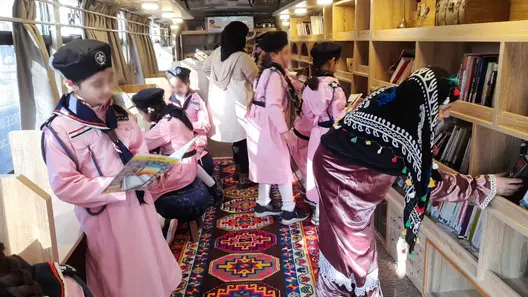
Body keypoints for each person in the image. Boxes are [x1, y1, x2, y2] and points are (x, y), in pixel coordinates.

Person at [313, 67, 523, 297]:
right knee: (357, 251)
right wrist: (486, 185)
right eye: (444, 107)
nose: (445, 116)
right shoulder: (407, 133)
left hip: (326, 159)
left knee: (335, 236)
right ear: (430, 100)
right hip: (348, 182)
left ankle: (333, 287)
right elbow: (431, 184)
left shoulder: (389, 97)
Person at [41, 39, 181, 297]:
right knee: (122, 283)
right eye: (97, 84)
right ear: (70, 85)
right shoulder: (59, 130)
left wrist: (150, 172)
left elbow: (140, 151)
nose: (107, 89)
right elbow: (65, 186)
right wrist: (118, 185)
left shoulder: (120, 115)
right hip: (107, 219)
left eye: (109, 79)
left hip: (140, 207)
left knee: (153, 269)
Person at [132, 88, 221, 243]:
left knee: (141, 189)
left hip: (180, 170)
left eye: (142, 113)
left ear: (150, 110)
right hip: (189, 165)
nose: (143, 117)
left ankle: (158, 228)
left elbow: (142, 143)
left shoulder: (165, 124)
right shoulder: (175, 113)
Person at [246, 31, 309, 225]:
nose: (288, 56)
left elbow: (288, 82)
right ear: (275, 55)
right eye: (286, 52)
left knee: (267, 162)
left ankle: (263, 203)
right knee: (281, 164)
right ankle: (289, 210)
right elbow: (273, 106)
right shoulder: (273, 75)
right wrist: (285, 132)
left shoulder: (270, 71)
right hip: (269, 124)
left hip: (261, 123)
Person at [202, 21, 259, 188]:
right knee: (244, 141)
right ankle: (244, 174)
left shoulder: (216, 53)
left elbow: (205, 69)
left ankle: (239, 170)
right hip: (239, 105)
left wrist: (216, 83)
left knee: (237, 142)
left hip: (221, 105)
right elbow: (257, 81)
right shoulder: (243, 58)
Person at [302, 42, 347, 225]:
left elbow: (306, 114)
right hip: (332, 135)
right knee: (332, 172)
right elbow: (340, 116)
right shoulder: (334, 86)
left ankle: (318, 212)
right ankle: (328, 212)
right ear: (332, 61)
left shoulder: (309, 85)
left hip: (316, 133)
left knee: (317, 170)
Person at [166, 66, 215, 176]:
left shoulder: (196, 101)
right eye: (172, 87)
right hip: (176, 147)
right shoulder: (170, 102)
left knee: (206, 167)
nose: (176, 90)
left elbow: (205, 125)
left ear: (187, 83)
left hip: (196, 145)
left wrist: (186, 124)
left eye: (179, 87)